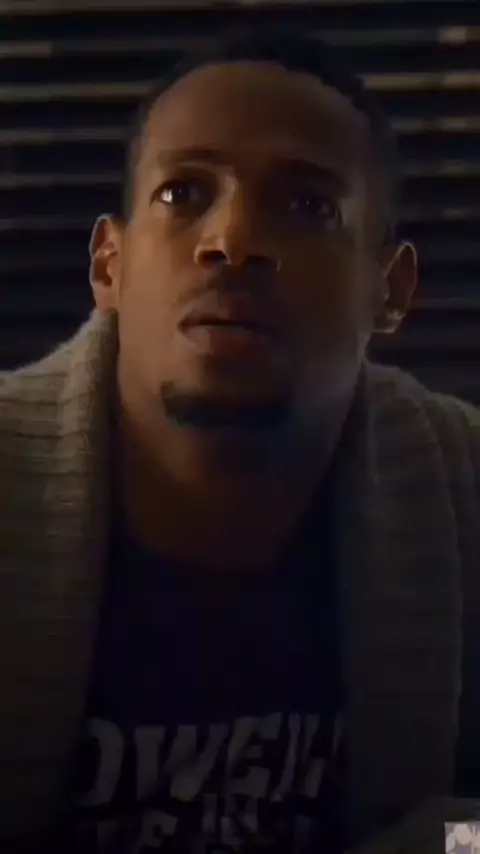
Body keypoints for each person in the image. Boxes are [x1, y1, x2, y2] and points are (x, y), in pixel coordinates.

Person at [0, 25, 478, 854]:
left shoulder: (464, 484)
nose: (233, 240)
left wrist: (451, 843)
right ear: (109, 265)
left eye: (309, 205)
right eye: (183, 193)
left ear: (390, 289)